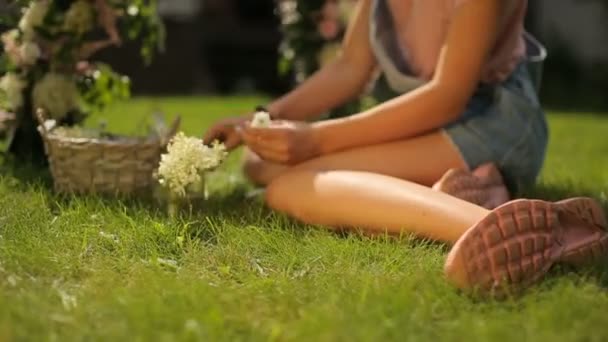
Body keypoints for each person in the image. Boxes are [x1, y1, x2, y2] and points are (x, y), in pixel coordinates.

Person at [203, 0, 608, 295]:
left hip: (490, 124)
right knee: (260, 163)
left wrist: (316, 140)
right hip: (425, 122)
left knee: (289, 186)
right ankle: (473, 190)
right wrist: (260, 120)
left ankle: (524, 227)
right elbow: (350, 67)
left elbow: (447, 95)